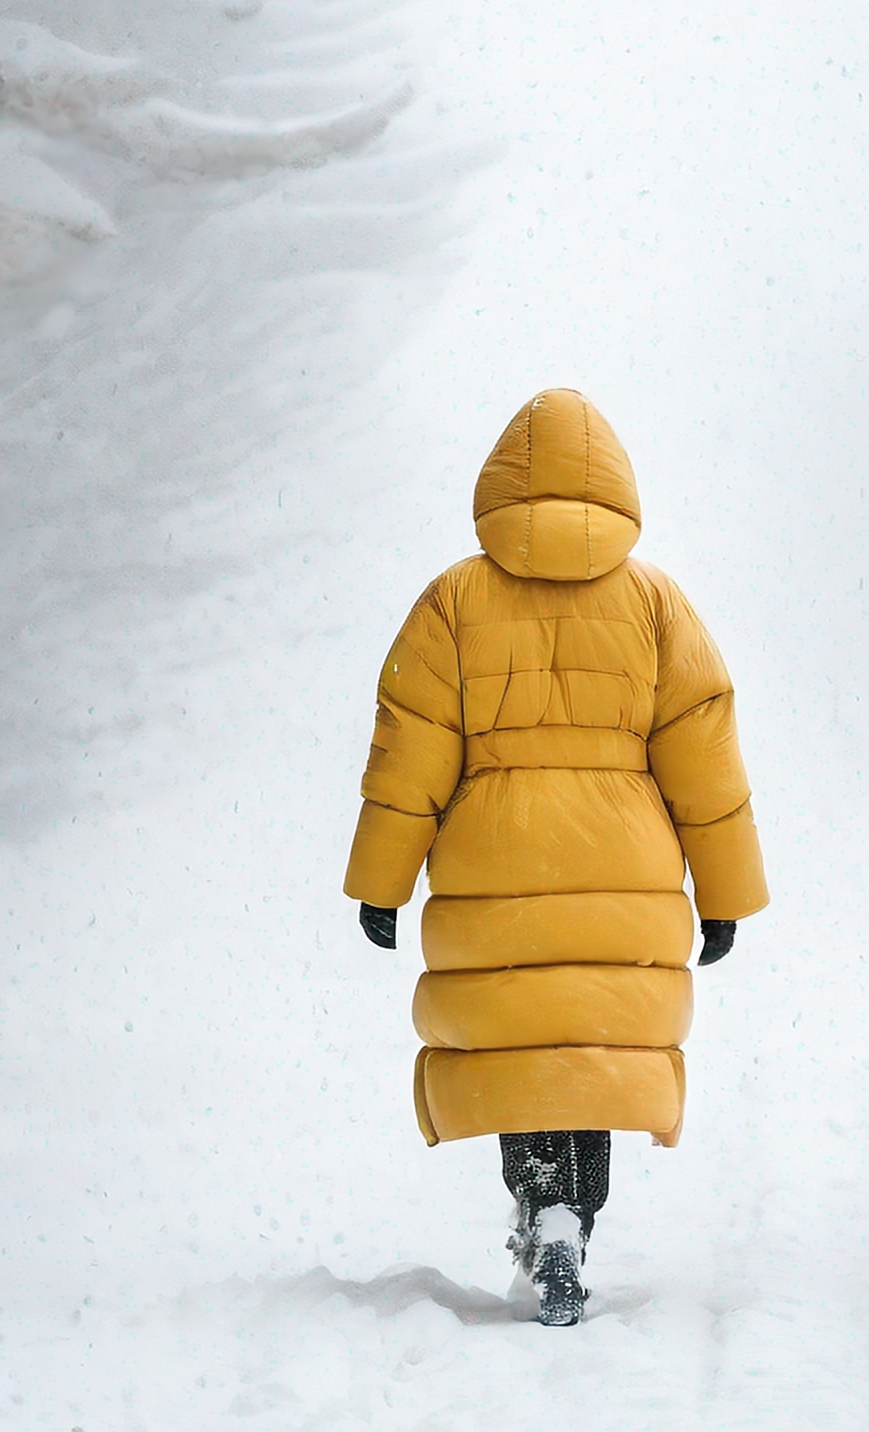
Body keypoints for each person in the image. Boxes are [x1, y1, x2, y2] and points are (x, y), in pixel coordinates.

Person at [342, 388, 768, 1325]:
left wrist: (382, 880)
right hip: (625, 859)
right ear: (614, 488)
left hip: (496, 855)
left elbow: (409, 744)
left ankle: (543, 1209)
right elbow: (705, 753)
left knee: (523, 1040)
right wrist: (727, 891)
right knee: (591, 1043)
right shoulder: (656, 604)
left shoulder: (454, 599)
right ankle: (574, 1215)